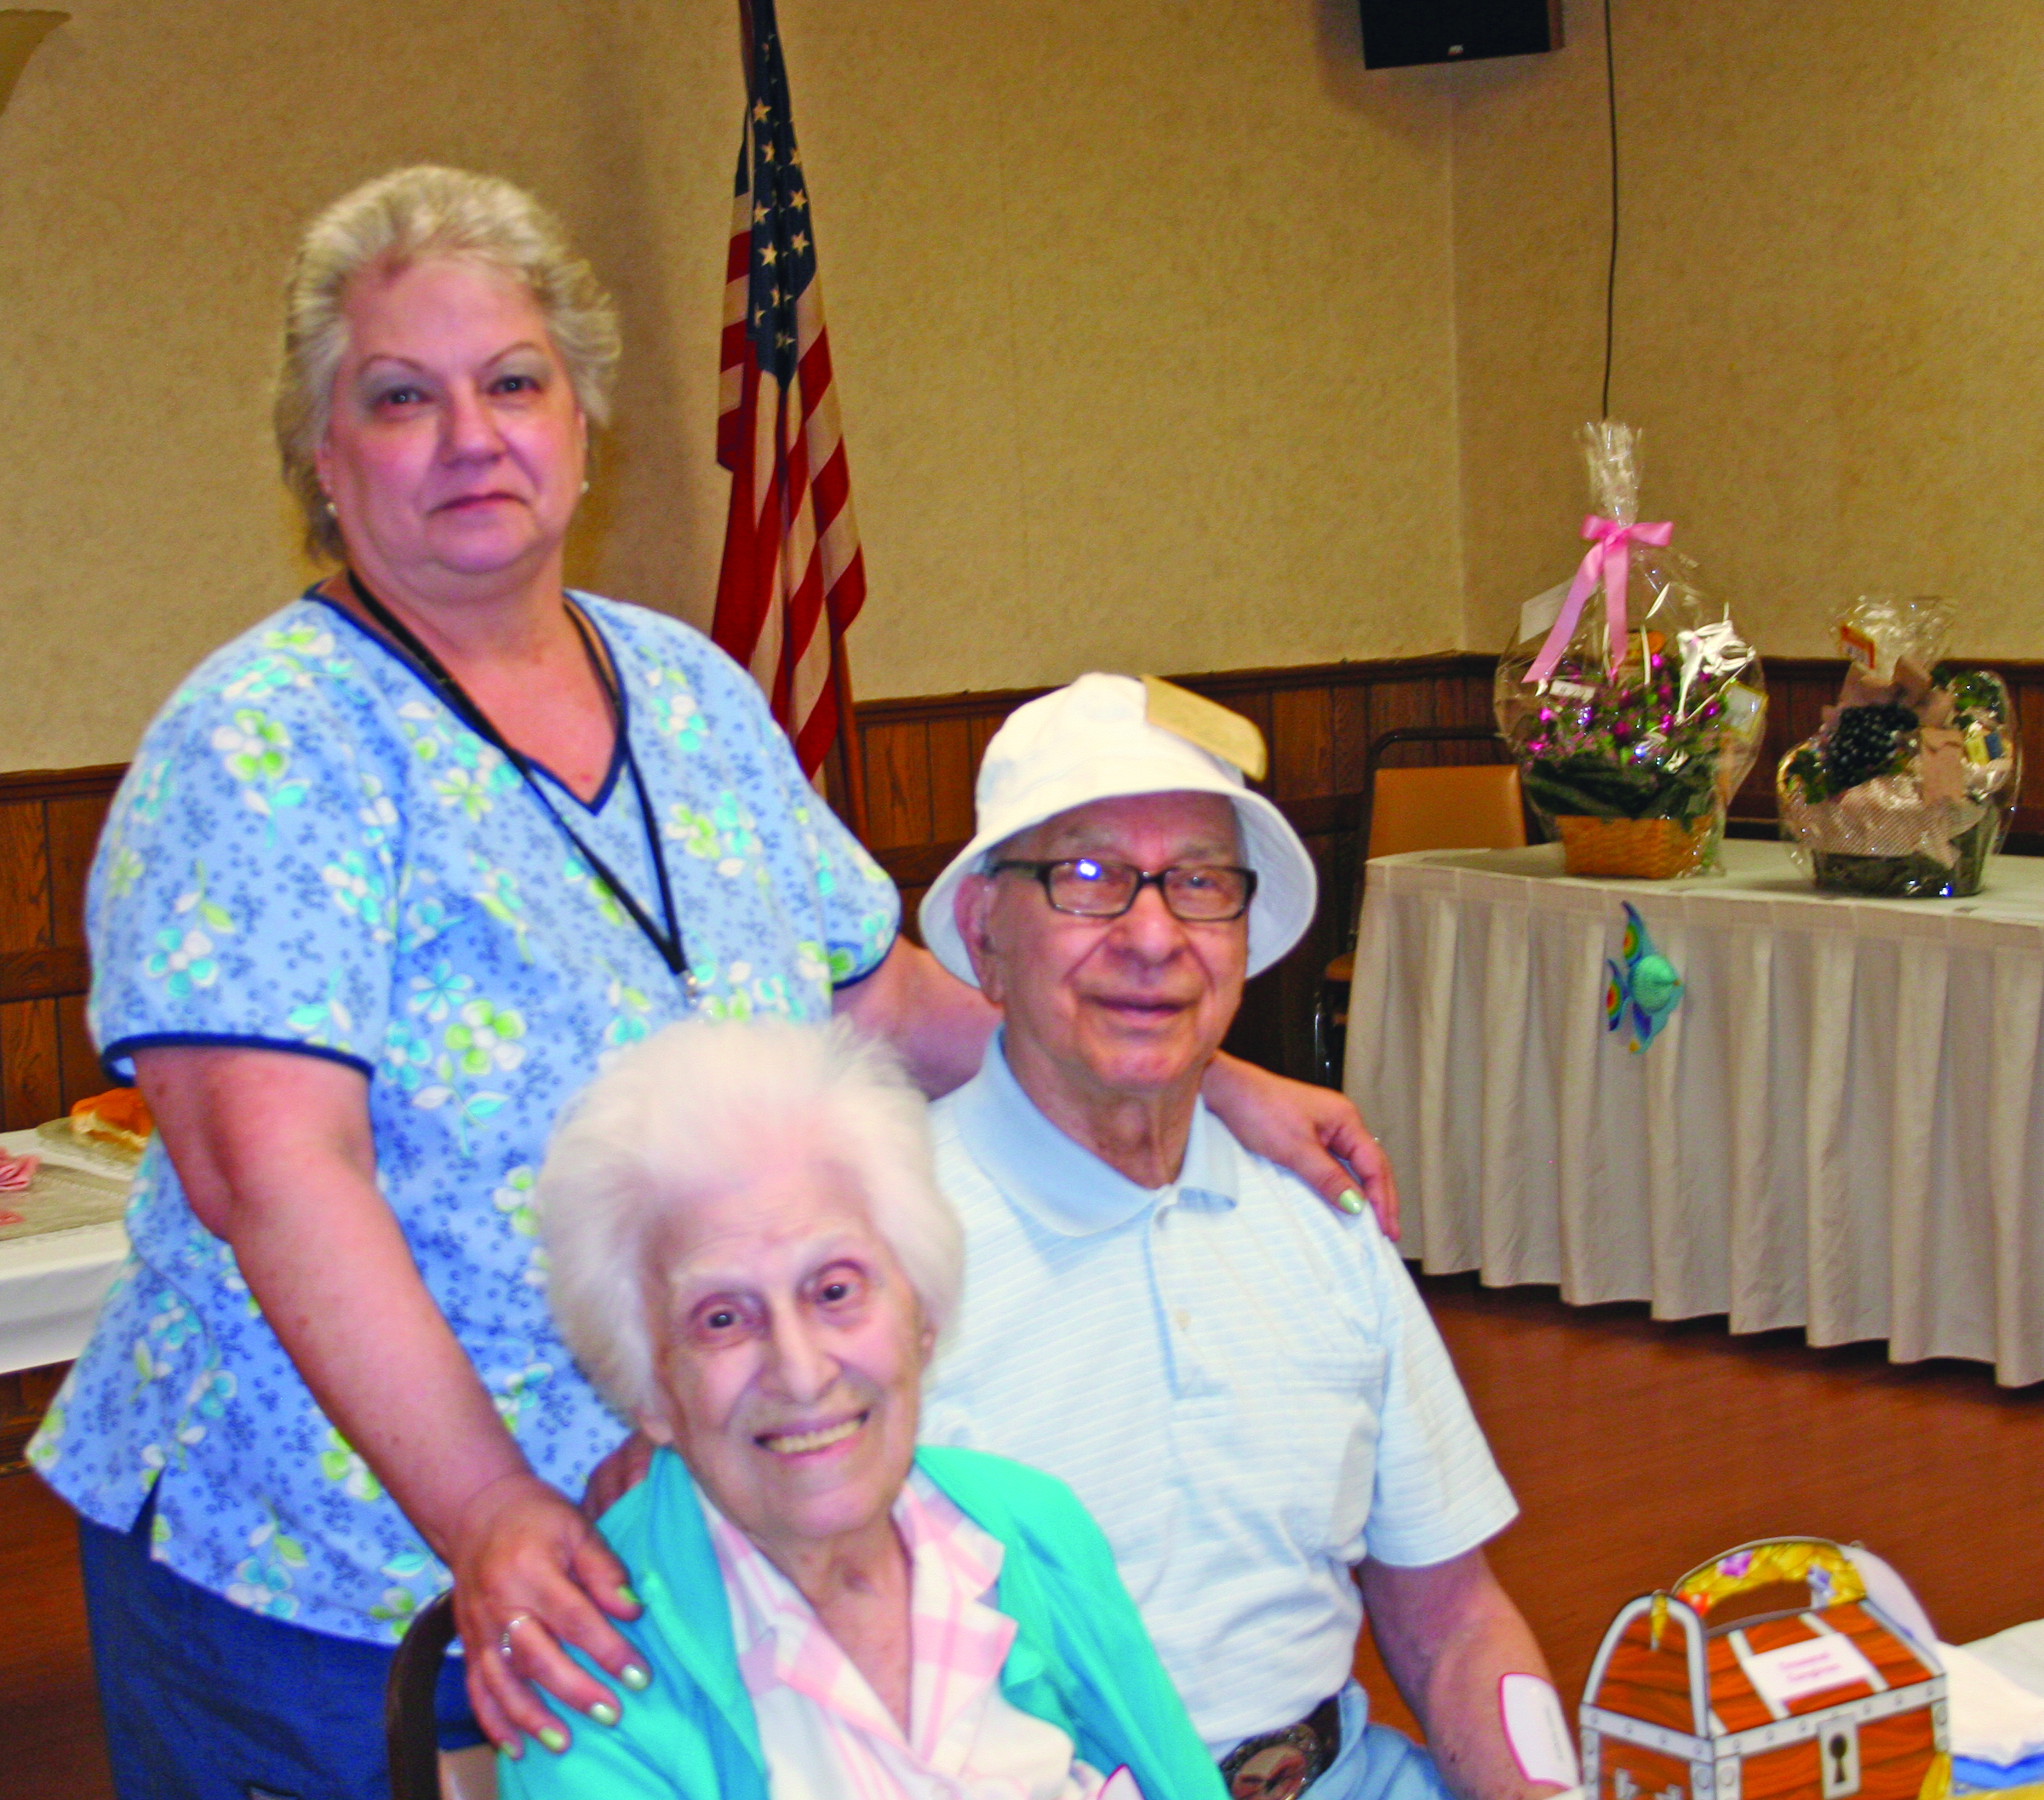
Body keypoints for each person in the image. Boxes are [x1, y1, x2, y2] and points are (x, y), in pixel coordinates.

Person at [29, 165, 1393, 1799]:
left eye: (514, 381)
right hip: (336, 1568)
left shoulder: (684, 692)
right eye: (401, 397)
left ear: (584, 422)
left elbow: (871, 1002)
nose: (473, 434)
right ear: (322, 460)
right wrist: (485, 1508)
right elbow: (271, 1170)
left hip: (679, 1524)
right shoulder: (260, 746)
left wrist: (1198, 1077)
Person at [915, 674, 1574, 1800]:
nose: (1153, 935)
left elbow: (1455, 1625)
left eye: (1199, 881)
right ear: (985, 931)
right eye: (1087, 878)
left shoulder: (1314, 1212)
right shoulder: (872, 1256)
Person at [508, 1013, 1223, 1800]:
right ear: (650, 1390)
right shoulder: (589, 1661)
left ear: (921, 1315)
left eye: (836, 1290)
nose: (802, 1371)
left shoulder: (1029, 1527)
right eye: (722, 1317)